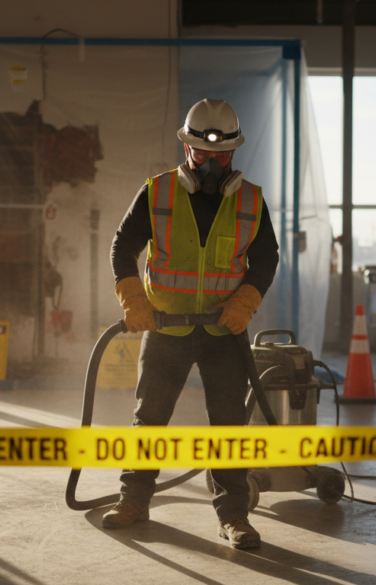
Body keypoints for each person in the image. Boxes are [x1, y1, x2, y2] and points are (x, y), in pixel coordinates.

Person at [105, 99, 280, 549]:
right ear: (187, 149)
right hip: (166, 328)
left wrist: (245, 301)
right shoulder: (157, 191)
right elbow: (123, 246)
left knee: (227, 426)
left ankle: (234, 516)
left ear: (234, 155)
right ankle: (133, 500)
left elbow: (265, 259)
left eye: (220, 156)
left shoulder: (250, 200)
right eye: (202, 154)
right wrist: (133, 299)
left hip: (225, 332)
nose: (211, 164)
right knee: (150, 420)